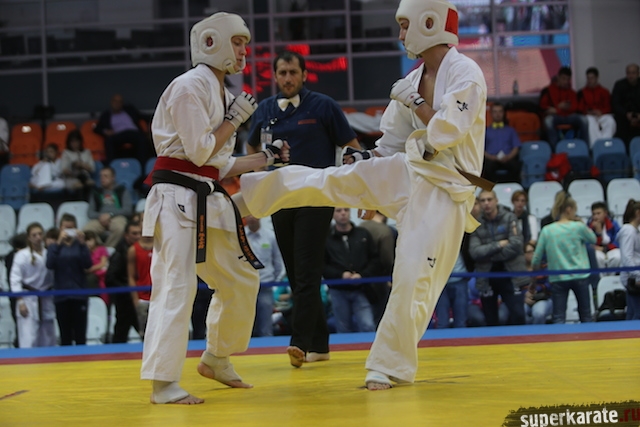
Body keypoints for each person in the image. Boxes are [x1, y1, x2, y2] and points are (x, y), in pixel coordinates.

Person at [237, 0, 487, 390]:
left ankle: (389, 366)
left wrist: (415, 101)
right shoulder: (413, 78)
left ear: (429, 23)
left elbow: (444, 133)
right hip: (408, 169)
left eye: (405, 25)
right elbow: (391, 144)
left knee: (413, 278)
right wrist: (368, 172)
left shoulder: (466, 74)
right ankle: (245, 199)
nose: (401, 35)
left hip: (445, 188)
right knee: (331, 179)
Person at [140, 12, 289, 405]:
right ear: (212, 42)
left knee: (241, 277)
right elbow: (200, 150)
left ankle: (217, 357)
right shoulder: (188, 86)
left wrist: (265, 158)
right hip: (175, 196)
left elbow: (218, 164)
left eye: (245, 44)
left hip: (206, 194)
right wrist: (234, 119)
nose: (243, 51)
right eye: (237, 43)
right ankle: (163, 383)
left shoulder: (221, 93)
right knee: (176, 286)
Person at [245, 50, 361, 368]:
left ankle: (299, 341)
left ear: (305, 74)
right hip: (280, 198)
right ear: (275, 76)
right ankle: (320, 345)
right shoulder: (265, 109)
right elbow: (252, 146)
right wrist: (259, 177)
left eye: (293, 72)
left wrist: (354, 185)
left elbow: (352, 146)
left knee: (307, 272)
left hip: (315, 197)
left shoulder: (323, 105)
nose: (287, 78)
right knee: (297, 274)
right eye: (282, 73)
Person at [531, 191, 596, 324]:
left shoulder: (547, 230)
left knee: (558, 317)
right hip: (580, 275)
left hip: (558, 277)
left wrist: (533, 281)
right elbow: (593, 239)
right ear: (569, 209)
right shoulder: (578, 227)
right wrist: (582, 223)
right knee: (586, 315)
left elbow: (536, 258)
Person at [469, 190, 528, 326]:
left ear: (496, 201)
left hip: (511, 274)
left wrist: (489, 254)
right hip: (487, 276)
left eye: (489, 199)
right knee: (490, 320)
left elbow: (516, 245)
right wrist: (498, 245)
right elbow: (474, 252)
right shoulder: (476, 223)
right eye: (483, 200)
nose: (486, 203)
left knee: (518, 315)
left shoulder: (510, 218)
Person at [323, 207, 378, 333]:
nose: (343, 213)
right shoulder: (327, 239)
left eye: (346, 210)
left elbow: (375, 259)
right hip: (338, 289)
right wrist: (340, 275)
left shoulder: (362, 234)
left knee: (367, 325)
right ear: (333, 215)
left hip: (361, 288)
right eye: (338, 211)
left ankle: (370, 346)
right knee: (343, 328)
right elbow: (322, 265)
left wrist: (362, 275)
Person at [46, 213, 93, 345]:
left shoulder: (80, 246)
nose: (68, 232)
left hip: (79, 295)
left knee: (80, 334)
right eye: (65, 228)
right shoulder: (54, 247)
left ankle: (82, 357)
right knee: (65, 334)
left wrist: (83, 244)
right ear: (60, 228)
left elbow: (87, 264)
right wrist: (58, 243)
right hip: (61, 295)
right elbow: (49, 264)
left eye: (71, 228)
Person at [9, 222, 56, 348]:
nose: (38, 237)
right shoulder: (21, 255)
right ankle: (27, 360)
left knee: (48, 339)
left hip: (46, 297)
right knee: (28, 339)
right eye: (34, 235)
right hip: (28, 299)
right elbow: (15, 280)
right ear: (29, 237)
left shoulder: (49, 254)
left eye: (40, 234)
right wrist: (20, 302)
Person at [245, 215, 285, 337]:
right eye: (248, 215)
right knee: (244, 326)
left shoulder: (270, 236)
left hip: (265, 286)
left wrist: (274, 281)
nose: (251, 218)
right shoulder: (240, 236)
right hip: (245, 287)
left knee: (266, 327)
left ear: (259, 215)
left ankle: (268, 345)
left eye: (253, 214)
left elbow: (278, 262)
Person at [106, 221, 142, 343]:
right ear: (126, 235)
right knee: (121, 332)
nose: (137, 236)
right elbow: (110, 279)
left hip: (140, 297)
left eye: (139, 233)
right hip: (125, 301)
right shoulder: (119, 254)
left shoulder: (141, 250)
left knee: (147, 333)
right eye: (134, 233)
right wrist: (128, 290)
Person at [358, 211, 395, 326]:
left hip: (360, 276)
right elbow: (387, 259)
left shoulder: (360, 227)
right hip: (379, 278)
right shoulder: (384, 231)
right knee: (380, 315)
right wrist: (390, 276)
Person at [94, 93, 151, 165]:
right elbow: (97, 128)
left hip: (134, 133)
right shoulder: (106, 115)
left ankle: (143, 166)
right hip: (118, 134)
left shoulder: (129, 110)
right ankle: (112, 166)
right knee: (109, 141)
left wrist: (149, 127)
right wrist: (105, 131)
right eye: (115, 101)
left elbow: (145, 117)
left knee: (143, 140)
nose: (117, 104)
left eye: (120, 102)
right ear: (111, 102)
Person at [539, 66, 588, 148]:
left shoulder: (572, 93)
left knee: (584, 120)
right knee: (548, 120)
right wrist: (560, 108)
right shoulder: (548, 90)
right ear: (558, 77)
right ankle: (555, 149)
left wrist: (557, 110)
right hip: (556, 117)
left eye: (568, 79)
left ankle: (584, 147)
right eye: (563, 78)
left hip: (569, 116)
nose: (565, 82)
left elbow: (575, 108)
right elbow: (543, 107)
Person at [83, 166, 132, 248]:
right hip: (100, 219)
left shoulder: (122, 190)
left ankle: (108, 249)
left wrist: (110, 215)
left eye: (105, 176)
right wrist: (101, 216)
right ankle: (99, 249)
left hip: (117, 217)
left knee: (120, 228)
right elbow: (90, 213)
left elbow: (127, 210)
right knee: (87, 230)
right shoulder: (96, 192)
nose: (102, 179)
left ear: (113, 178)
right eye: (101, 176)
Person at [577, 67, 616, 147]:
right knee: (589, 121)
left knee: (610, 121)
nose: (590, 80)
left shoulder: (604, 91)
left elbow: (609, 107)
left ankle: (605, 143)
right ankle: (595, 146)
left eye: (592, 78)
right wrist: (588, 112)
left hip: (602, 115)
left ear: (597, 78)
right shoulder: (582, 92)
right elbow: (580, 108)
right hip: (589, 115)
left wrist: (601, 112)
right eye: (588, 78)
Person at [482, 102, 521, 183]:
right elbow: (481, 149)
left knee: (516, 166)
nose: (498, 114)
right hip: (491, 159)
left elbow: (516, 147)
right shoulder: (485, 131)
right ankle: (490, 189)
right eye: (495, 112)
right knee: (486, 168)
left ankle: (514, 187)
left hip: (508, 158)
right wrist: (491, 157)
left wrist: (508, 157)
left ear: (504, 113)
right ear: (491, 114)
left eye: (500, 111)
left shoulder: (511, 130)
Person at [127, 232, 153, 338]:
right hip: (142, 297)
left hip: (159, 295)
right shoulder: (133, 250)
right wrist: (135, 299)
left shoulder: (161, 247)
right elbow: (131, 276)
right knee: (145, 333)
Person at [586, 202, 621, 275]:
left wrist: (605, 249)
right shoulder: (589, 225)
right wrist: (598, 232)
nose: (596, 217)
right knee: (596, 257)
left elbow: (618, 240)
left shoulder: (613, 224)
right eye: (594, 214)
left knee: (617, 256)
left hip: (611, 249)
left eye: (598, 213)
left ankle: (611, 277)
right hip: (597, 250)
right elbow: (587, 243)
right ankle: (601, 278)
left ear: (605, 213)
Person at [60, 129, 96, 197]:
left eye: (76, 141)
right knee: (79, 186)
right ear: (69, 142)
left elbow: (92, 168)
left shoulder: (87, 152)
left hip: (85, 177)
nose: (74, 144)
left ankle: (90, 202)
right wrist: (73, 166)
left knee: (90, 183)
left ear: (80, 141)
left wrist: (82, 165)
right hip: (72, 178)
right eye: (72, 141)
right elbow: (63, 170)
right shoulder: (66, 153)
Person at [523, 242, 552, 324]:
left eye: (534, 251)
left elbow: (550, 283)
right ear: (523, 255)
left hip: (543, 298)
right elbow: (515, 287)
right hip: (525, 299)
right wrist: (524, 295)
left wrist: (537, 289)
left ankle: (537, 332)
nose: (532, 254)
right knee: (520, 312)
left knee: (538, 313)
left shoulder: (544, 267)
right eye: (529, 252)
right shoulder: (519, 269)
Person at [611, 63, 640, 145]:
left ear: (638, 73)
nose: (631, 76)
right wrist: (626, 114)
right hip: (624, 116)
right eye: (628, 73)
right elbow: (615, 104)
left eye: (633, 73)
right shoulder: (619, 85)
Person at [84, 230, 109, 306]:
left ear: (95, 239)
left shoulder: (101, 249)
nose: (88, 243)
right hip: (89, 275)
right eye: (86, 240)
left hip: (101, 273)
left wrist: (91, 269)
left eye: (90, 240)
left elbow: (103, 263)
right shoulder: (84, 252)